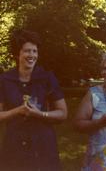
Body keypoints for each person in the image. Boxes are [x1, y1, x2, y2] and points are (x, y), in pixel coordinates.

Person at [0, 29, 67, 171]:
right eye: (27, 51)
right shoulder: (4, 80)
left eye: (34, 51)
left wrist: (40, 114)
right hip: (14, 145)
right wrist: (18, 111)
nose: (32, 55)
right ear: (17, 54)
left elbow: (63, 113)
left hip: (43, 145)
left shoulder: (47, 78)